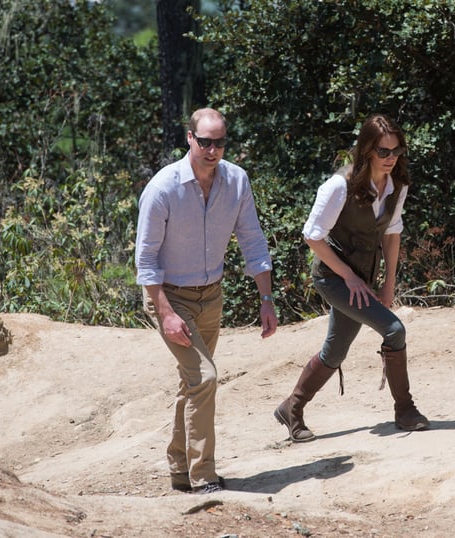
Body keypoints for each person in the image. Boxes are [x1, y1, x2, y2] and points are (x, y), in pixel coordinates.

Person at [135, 108, 278, 493]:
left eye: (219, 142)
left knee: (193, 383)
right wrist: (165, 313)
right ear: (190, 138)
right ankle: (203, 477)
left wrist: (266, 298)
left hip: (211, 296)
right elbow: (146, 260)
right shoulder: (163, 188)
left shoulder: (236, 181)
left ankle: (180, 470)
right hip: (170, 297)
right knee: (206, 378)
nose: (213, 150)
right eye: (205, 142)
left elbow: (252, 239)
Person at [274, 113, 429, 442]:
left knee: (335, 350)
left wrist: (388, 283)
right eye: (383, 152)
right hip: (333, 277)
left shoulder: (396, 186)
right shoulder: (339, 186)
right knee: (394, 329)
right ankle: (405, 409)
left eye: (396, 151)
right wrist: (349, 276)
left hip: (363, 278)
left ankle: (292, 408)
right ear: (367, 150)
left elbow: (392, 233)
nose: (390, 159)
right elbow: (312, 236)